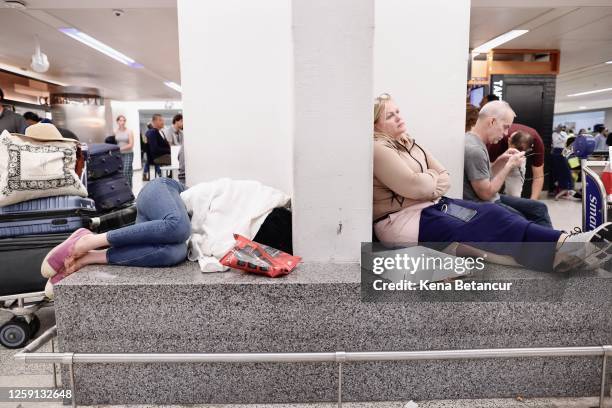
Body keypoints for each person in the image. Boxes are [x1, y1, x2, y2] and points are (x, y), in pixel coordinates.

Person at [372, 94, 612, 274]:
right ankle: (562, 247)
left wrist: (429, 182)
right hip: (402, 220)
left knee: (493, 213)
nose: (399, 117)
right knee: (485, 224)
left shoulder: (408, 142)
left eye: (398, 111)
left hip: (432, 206)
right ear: (375, 123)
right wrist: (431, 181)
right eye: (389, 115)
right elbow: (419, 186)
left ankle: (561, 247)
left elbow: (444, 176)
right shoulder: (379, 148)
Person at [41, 177, 190, 297]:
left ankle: (88, 258)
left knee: (168, 253)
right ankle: (88, 241)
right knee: (177, 225)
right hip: (163, 192)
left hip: (172, 234)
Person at [464, 101, 553, 228]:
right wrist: (509, 166)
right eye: (505, 127)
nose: (506, 134)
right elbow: (486, 193)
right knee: (525, 220)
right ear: (492, 122)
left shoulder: (474, 141)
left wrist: (501, 161)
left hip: (490, 199)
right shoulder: (475, 150)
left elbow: (484, 176)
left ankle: (551, 243)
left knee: (539, 207)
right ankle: (553, 244)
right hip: (485, 204)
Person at [486, 122, 546, 201]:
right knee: (489, 192)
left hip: (519, 161)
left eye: (519, 152)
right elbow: (487, 173)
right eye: (514, 151)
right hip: (496, 158)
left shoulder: (537, 143)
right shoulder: (497, 139)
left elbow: (538, 176)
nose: (515, 155)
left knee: (514, 196)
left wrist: (532, 202)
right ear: (509, 140)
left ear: (529, 149)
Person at [504, 131, 533, 197]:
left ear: (512, 144)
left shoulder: (515, 158)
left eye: (510, 138)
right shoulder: (522, 156)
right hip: (513, 191)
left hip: (512, 193)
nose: (508, 139)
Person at [114, 115, 135, 188]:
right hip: (119, 155)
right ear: (117, 122)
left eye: (124, 120)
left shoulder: (129, 131)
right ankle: (127, 189)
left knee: (126, 171)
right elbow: (114, 143)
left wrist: (120, 148)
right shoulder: (115, 132)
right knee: (126, 172)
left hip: (128, 153)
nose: (122, 122)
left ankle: (128, 188)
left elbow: (131, 144)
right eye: (120, 120)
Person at [166, 113, 185, 183]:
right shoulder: (169, 130)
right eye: (181, 121)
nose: (183, 123)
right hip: (171, 153)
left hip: (179, 152)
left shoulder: (181, 132)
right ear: (176, 121)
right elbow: (170, 144)